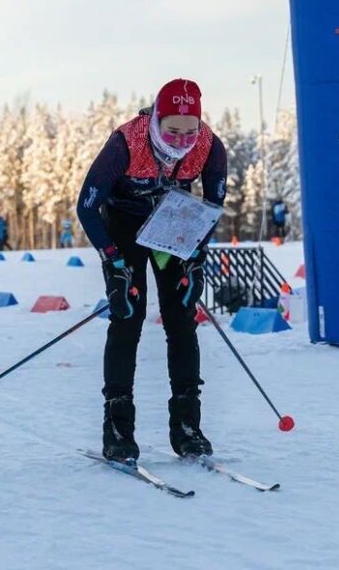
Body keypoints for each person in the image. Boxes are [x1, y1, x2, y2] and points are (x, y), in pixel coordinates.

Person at [77, 79, 228, 462]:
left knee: (181, 317)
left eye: (189, 131)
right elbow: (86, 207)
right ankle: (117, 427)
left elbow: (212, 208)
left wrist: (196, 257)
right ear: (157, 118)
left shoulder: (210, 147)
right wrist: (113, 260)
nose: (180, 141)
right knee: (128, 317)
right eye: (172, 131)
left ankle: (187, 426)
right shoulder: (127, 141)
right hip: (124, 225)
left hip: (173, 224)